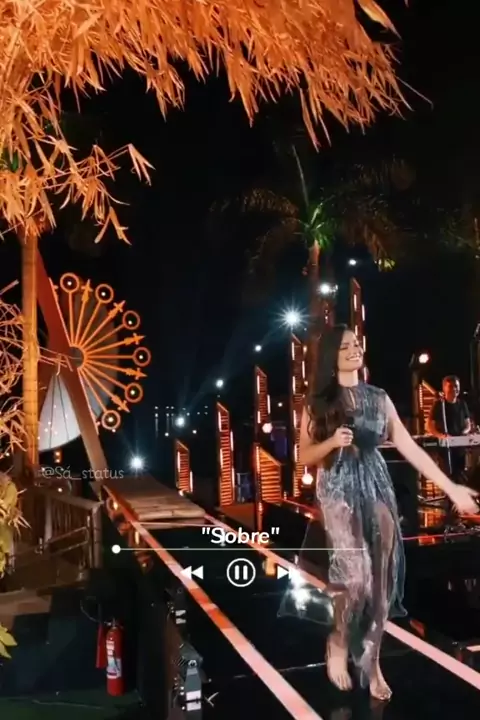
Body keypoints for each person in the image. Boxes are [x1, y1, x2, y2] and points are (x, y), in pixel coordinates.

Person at [298, 325, 478, 700]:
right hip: (337, 488)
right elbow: (304, 455)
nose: (354, 349)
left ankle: (372, 660)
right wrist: (332, 442)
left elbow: (410, 447)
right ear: (331, 356)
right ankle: (339, 642)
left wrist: (452, 488)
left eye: (356, 344)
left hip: (375, 484)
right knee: (356, 577)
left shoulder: (379, 398)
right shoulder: (318, 403)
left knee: (381, 583)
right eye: (345, 346)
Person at [426, 375, 472, 479]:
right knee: (447, 477)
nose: (454, 389)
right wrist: (441, 436)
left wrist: (464, 433)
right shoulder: (439, 405)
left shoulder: (462, 404)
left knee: (460, 476)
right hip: (445, 450)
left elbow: (468, 424)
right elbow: (429, 426)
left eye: (456, 386)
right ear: (444, 388)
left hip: (460, 448)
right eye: (451, 386)